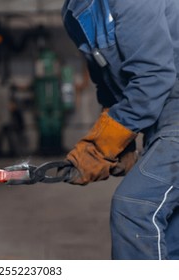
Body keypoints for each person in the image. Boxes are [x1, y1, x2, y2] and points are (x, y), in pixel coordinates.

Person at [61, 0, 179, 259]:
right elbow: (108, 84)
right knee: (169, 233)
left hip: (173, 106)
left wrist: (100, 147)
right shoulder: (74, 12)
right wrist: (120, 143)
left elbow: (154, 77)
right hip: (162, 115)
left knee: (136, 208)